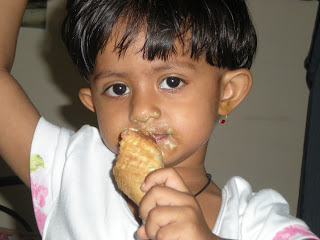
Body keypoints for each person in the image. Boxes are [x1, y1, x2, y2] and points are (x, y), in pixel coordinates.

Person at [0, 0, 318, 239]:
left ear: (227, 93)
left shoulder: (254, 221)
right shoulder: (71, 168)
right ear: (92, 104)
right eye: (118, 88)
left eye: (171, 82)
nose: (140, 110)